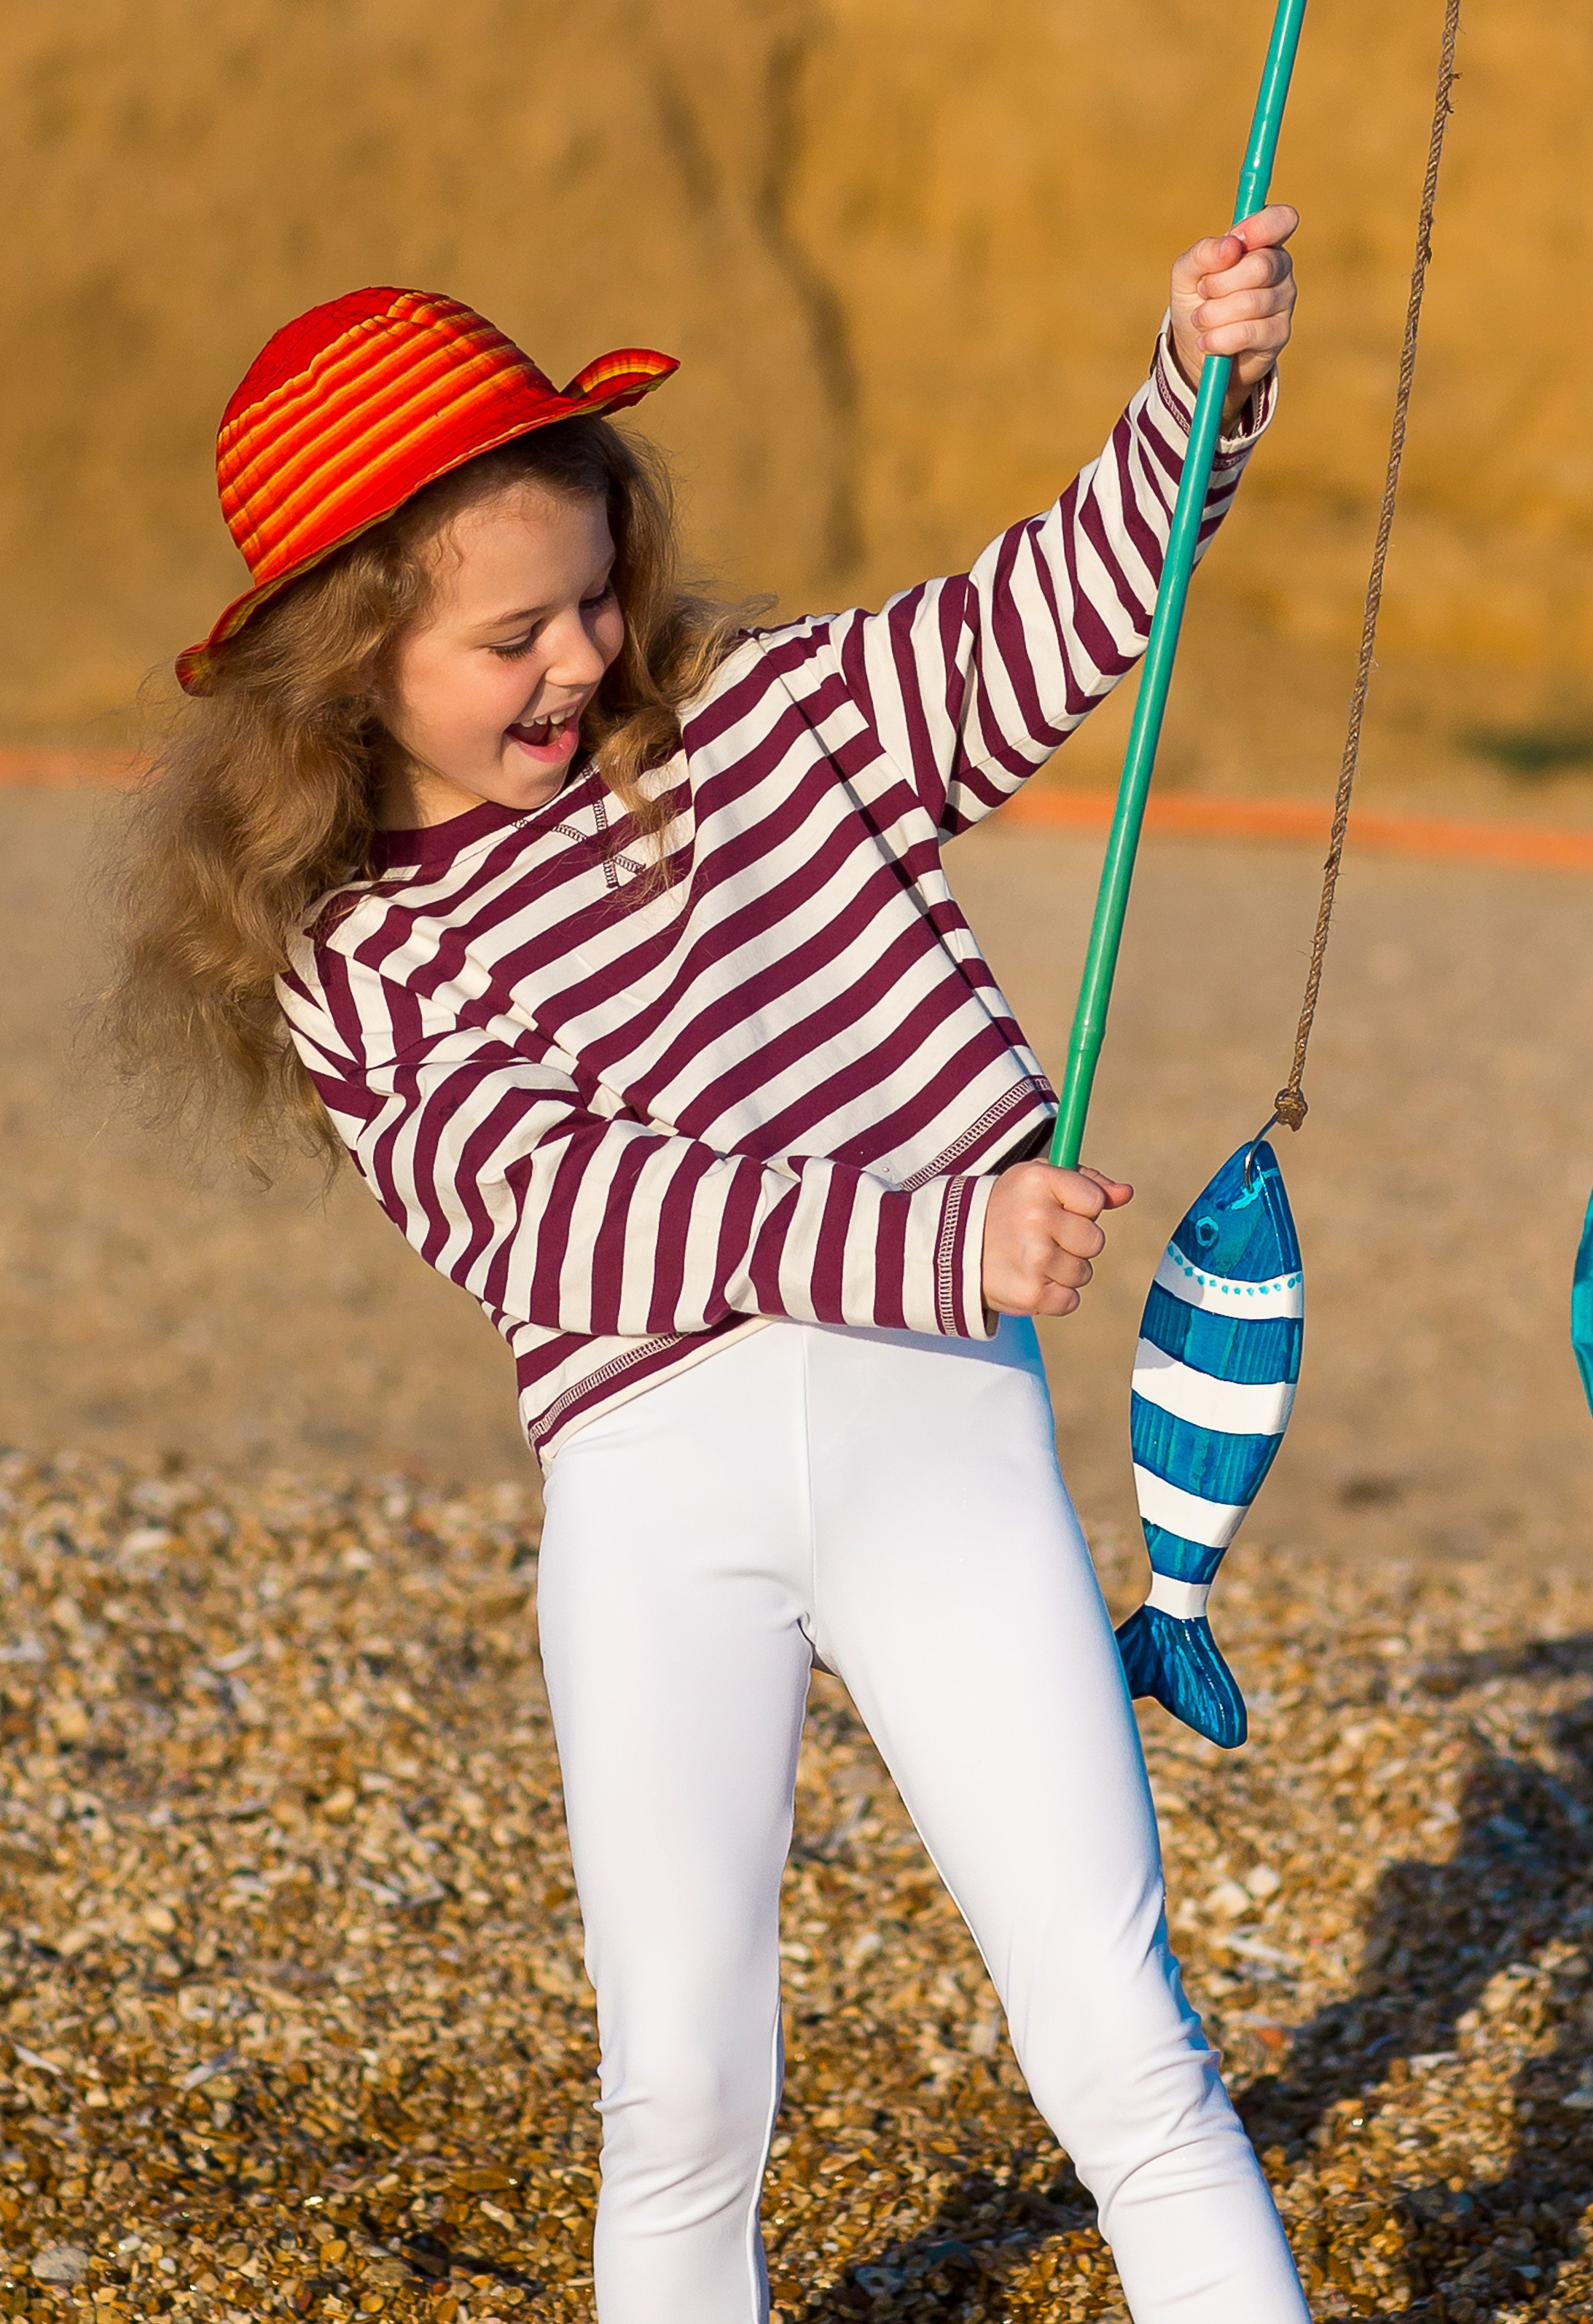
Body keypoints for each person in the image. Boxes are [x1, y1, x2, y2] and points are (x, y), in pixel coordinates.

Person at [109, 214, 1304, 2324]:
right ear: (341, 657)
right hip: (657, 1506)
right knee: (682, 2092)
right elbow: (569, 1207)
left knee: (1124, 2039)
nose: (575, 660)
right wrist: (939, 1234)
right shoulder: (354, 958)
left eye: (593, 599)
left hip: (939, 1446)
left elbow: (1021, 625)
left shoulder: (763, 717)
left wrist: (1185, 395)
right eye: (510, 636)